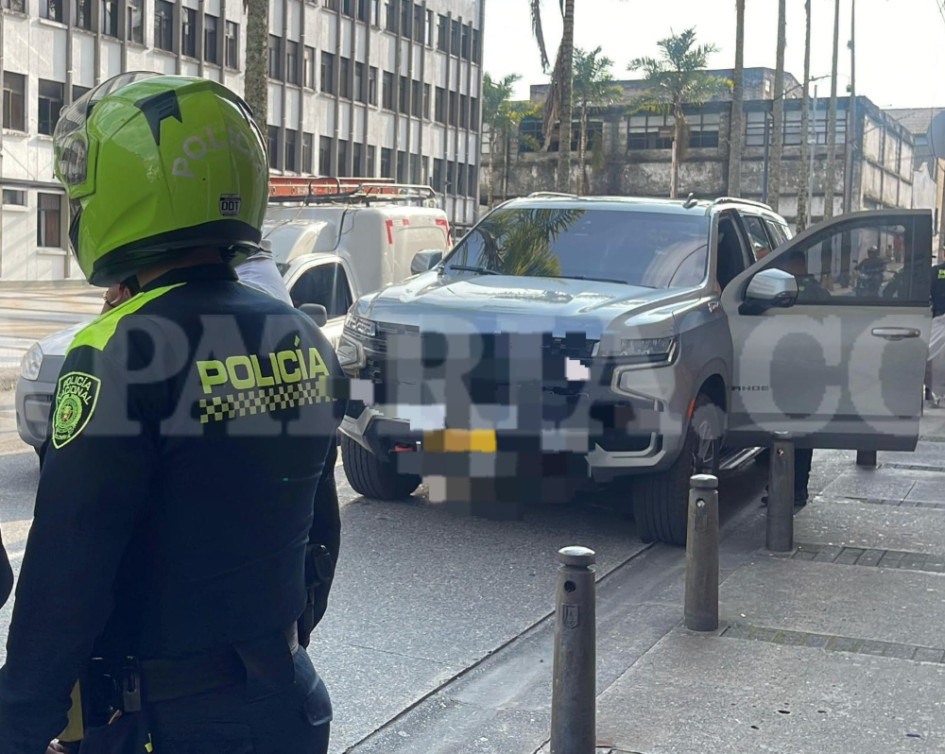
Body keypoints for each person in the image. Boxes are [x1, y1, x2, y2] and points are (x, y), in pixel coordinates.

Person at [0, 72, 346, 753]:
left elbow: (68, 570)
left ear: (125, 192)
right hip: (284, 701)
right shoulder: (301, 333)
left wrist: (16, 724)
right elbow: (319, 537)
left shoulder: (119, 348)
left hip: (157, 721)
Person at [926, 252, 945, 405]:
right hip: (939, 319)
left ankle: (933, 393)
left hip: (939, 318)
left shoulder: (935, 272)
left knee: (930, 356)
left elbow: (927, 294)